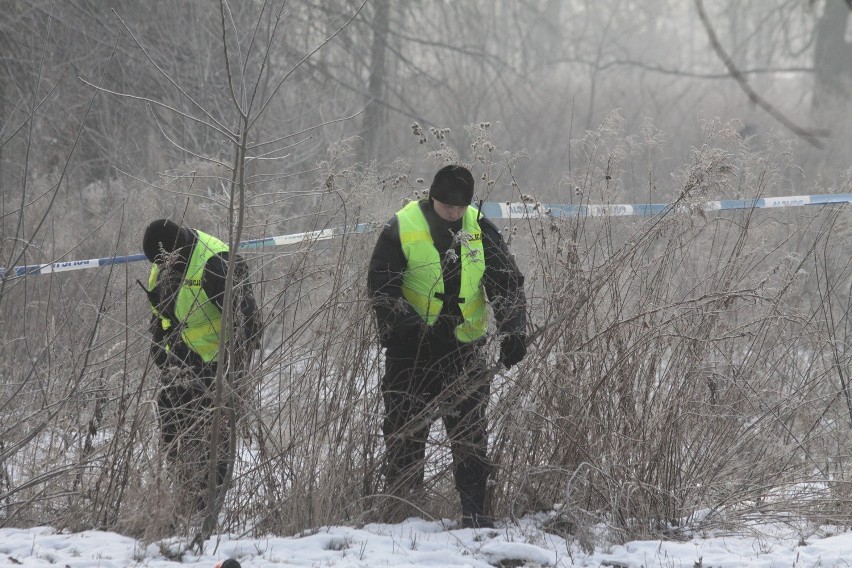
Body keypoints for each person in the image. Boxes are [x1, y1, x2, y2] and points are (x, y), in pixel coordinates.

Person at [367, 164, 527, 528]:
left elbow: (506, 283)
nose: (453, 214)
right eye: (446, 207)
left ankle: (475, 516)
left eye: (459, 208)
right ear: (432, 198)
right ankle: (401, 517)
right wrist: (417, 329)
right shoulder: (401, 226)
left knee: (470, 436)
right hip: (411, 352)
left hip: (465, 350)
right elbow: (380, 288)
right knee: (404, 433)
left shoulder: (480, 227)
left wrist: (514, 330)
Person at [140, 219, 262, 516]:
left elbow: (250, 325)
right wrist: (159, 345)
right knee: (173, 431)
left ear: (177, 251)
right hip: (178, 363)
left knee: (211, 441)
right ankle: (185, 499)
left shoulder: (215, 263)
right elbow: (162, 314)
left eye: (169, 262)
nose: (164, 267)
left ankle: (209, 510)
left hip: (216, 367)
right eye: (161, 263)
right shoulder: (162, 262)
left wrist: (235, 374)